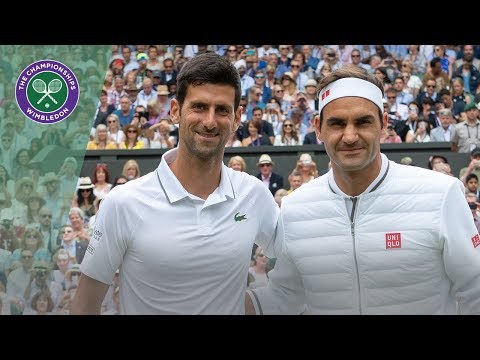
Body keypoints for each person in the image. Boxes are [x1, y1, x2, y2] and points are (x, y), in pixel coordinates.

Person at [245, 64, 480, 315]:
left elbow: (474, 289)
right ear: (318, 127)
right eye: (336, 123)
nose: (349, 136)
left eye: (363, 122)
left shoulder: (441, 193)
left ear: (383, 123)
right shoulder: (295, 206)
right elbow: (286, 295)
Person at [71, 52, 279, 315]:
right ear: (175, 111)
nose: (210, 121)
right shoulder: (123, 202)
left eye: (222, 110)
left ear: (237, 118)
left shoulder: (254, 194)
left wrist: (261, 304)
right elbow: (85, 304)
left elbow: (301, 263)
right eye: (199, 107)